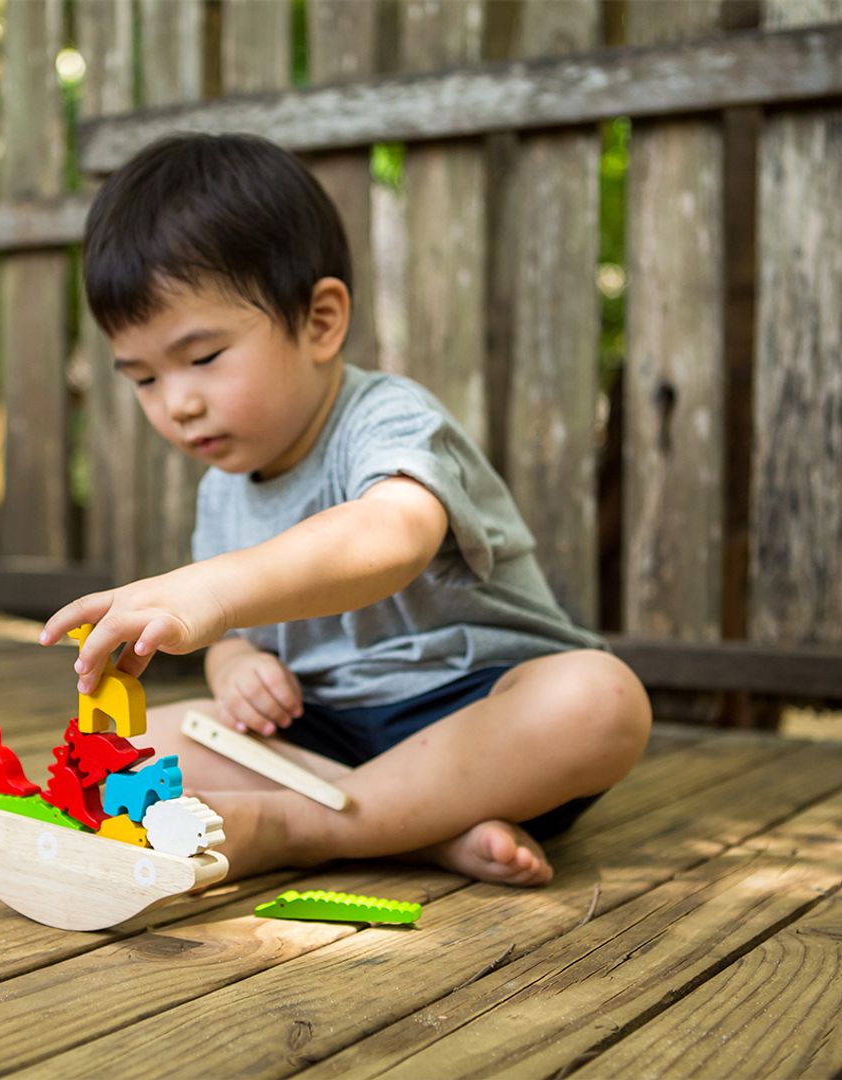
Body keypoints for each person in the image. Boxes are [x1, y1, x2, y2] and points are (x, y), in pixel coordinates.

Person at [40, 132, 651, 886]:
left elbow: (390, 536)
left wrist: (213, 591)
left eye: (202, 359)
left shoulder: (385, 418)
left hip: (476, 721)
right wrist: (237, 663)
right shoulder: (221, 488)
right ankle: (409, 829)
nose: (179, 404)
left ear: (321, 321)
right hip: (323, 737)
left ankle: (301, 827)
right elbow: (240, 638)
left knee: (599, 698)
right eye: (143, 379)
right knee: (112, 746)